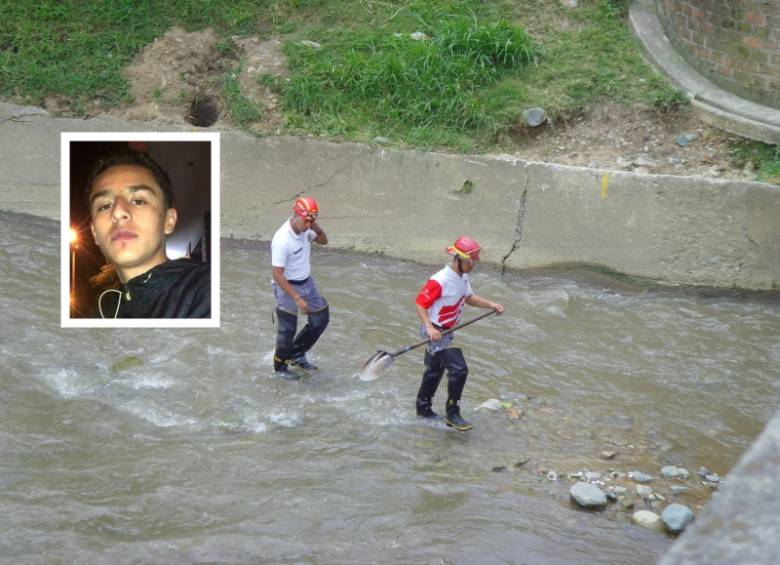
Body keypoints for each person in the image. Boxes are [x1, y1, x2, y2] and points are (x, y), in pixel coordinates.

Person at [85, 150, 210, 318]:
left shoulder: (209, 289)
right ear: (94, 233)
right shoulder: (101, 313)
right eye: (104, 206)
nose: (118, 212)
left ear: (169, 220)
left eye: (139, 201)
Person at [414, 236, 504, 431]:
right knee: (459, 369)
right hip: (435, 331)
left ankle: (423, 410)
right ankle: (453, 414)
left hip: (447, 330)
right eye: (471, 262)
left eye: (474, 262)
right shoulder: (440, 280)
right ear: (459, 259)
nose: (473, 265)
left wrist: (490, 304)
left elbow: (468, 297)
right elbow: (421, 303)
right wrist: (429, 328)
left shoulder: (462, 277)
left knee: (434, 370)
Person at [271, 196, 329, 377]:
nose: (308, 225)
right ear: (296, 216)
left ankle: (296, 353)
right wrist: (297, 298)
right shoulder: (282, 239)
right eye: (306, 221)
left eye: (312, 221)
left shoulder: (307, 229)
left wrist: (316, 227)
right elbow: (277, 275)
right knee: (287, 329)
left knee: (320, 319)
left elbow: (323, 241)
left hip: (306, 282)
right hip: (286, 286)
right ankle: (280, 368)